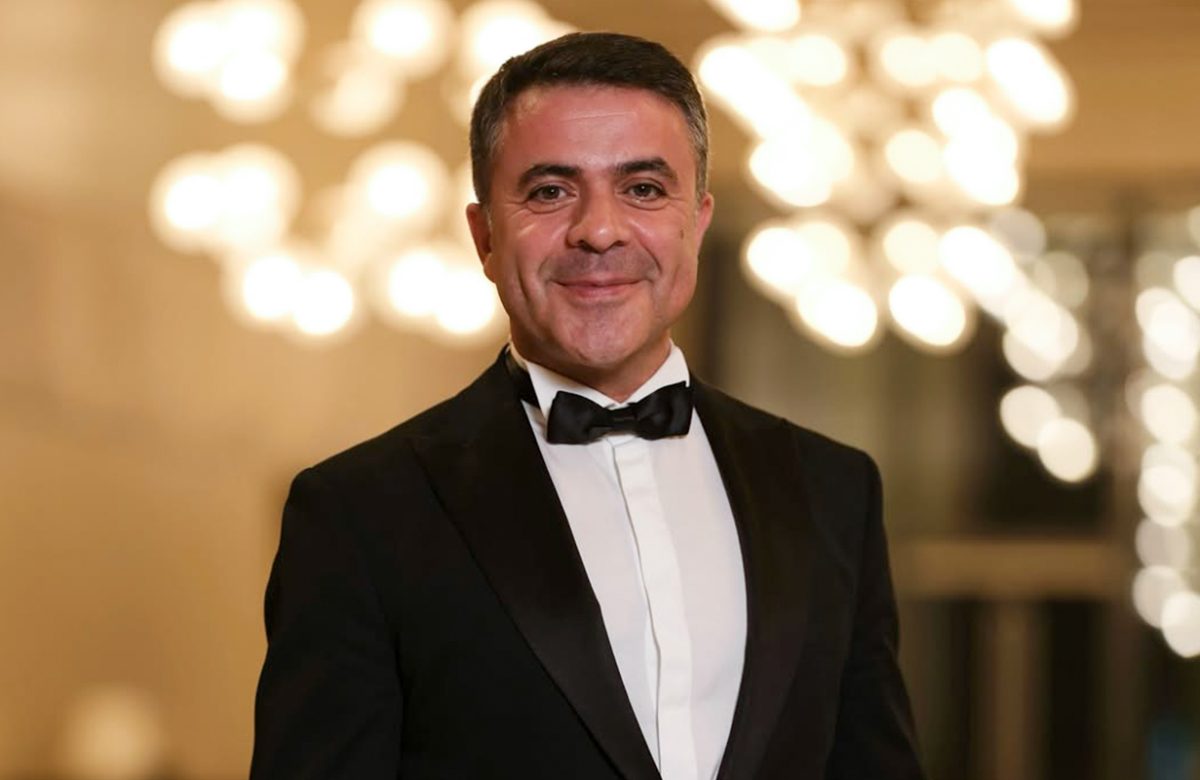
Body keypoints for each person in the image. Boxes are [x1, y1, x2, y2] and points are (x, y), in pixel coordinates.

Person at [249, 31, 925, 780]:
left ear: (696, 222)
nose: (599, 231)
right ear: (484, 236)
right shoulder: (358, 514)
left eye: (644, 189)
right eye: (550, 191)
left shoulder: (834, 490)